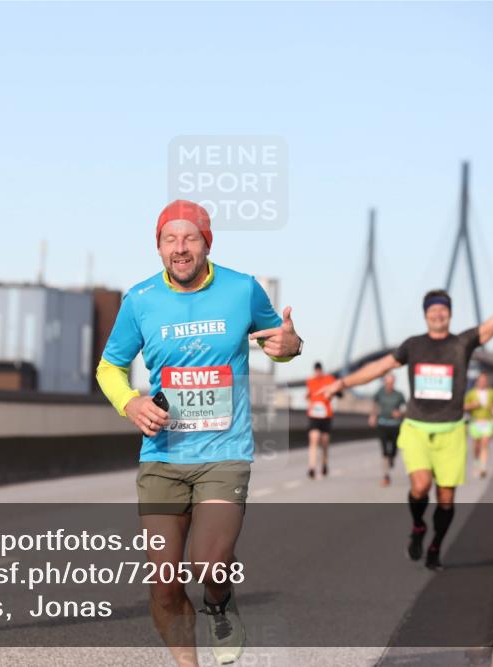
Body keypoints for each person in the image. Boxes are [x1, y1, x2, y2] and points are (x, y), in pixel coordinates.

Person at [96, 200, 303, 666]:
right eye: (170, 239)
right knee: (165, 583)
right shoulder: (140, 300)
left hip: (223, 451)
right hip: (162, 455)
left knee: (208, 564)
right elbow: (109, 367)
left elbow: (280, 342)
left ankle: (219, 599)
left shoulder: (242, 289)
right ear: (159, 247)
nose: (180, 248)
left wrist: (292, 346)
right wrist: (130, 402)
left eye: (190, 238)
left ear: (207, 243)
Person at [323, 262, 493, 570]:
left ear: (449, 314)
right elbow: (379, 367)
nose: (438, 314)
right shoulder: (413, 346)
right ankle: (418, 528)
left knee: (447, 499)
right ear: (425, 314)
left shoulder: (462, 343)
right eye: (432, 310)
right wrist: (341, 383)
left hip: (451, 431)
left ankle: (436, 545)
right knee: (421, 486)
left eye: (443, 310)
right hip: (416, 429)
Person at [369, 373, 406, 487]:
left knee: (394, 449)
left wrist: (400, 413)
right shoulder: (379, 393)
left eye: (391, 383)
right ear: (384, 382)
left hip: (395, 425)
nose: (389, 385)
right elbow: (375, 405)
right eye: (387, 382)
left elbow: (404, 408)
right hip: (383, 424)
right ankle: (386, 476)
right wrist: (373, 416)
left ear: (394, 383)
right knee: (384, 450)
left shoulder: (399, 395)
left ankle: (392, 457)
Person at [305, 362, 339, 479]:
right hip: (314, 415)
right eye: (316, 370)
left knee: (324, 442)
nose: (318, 372)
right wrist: (309, 403)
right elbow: (308, 395)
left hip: (326, 416)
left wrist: (331, 394)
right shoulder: (310, 381)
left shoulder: (329, 379)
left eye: (319, 370)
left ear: (321, 370)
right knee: (313, 439)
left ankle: (324, 463)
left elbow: (338, 391)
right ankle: (312, 467)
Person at [464, 373, 493, 478]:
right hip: (475, 422)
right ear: (477, 381)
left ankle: (483, 467)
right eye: (480, 380)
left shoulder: (492, 393)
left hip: (487, 422)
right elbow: (464, 406)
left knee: (485, 444)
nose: (482, 382)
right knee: (477, 445)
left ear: (487, 382)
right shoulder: (471, 393)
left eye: (484, 380)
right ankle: (476, 463)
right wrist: (472, 405)